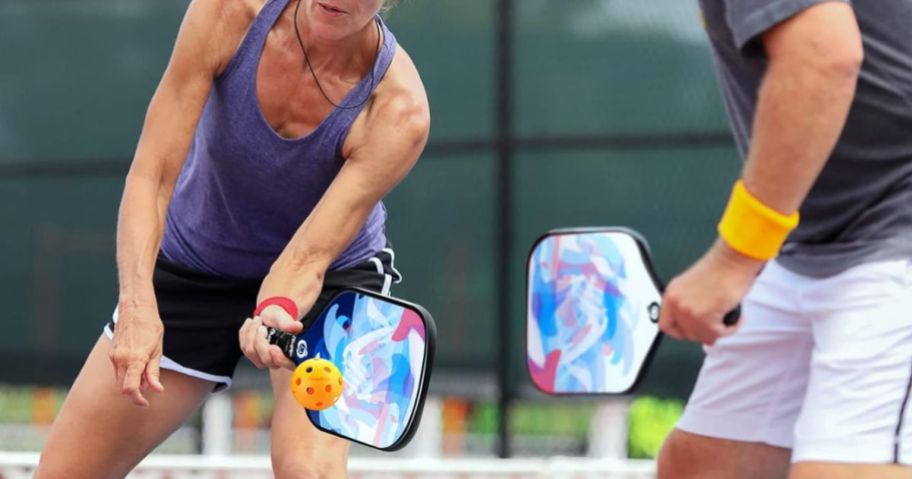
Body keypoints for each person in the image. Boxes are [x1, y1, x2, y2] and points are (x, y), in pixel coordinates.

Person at [35, 0, 429, 476]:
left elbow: (309, 256)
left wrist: (274, 311)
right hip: (195, 260)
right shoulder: (226, 13)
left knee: (306, 467)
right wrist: (137, 306)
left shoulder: (399, 111)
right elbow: (152, 177)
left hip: (328, 279)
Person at [656, 1, 912, 478]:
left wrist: (735, 258)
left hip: (895, 237)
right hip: (813, 244)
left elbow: (822, 56)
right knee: (701, 467)